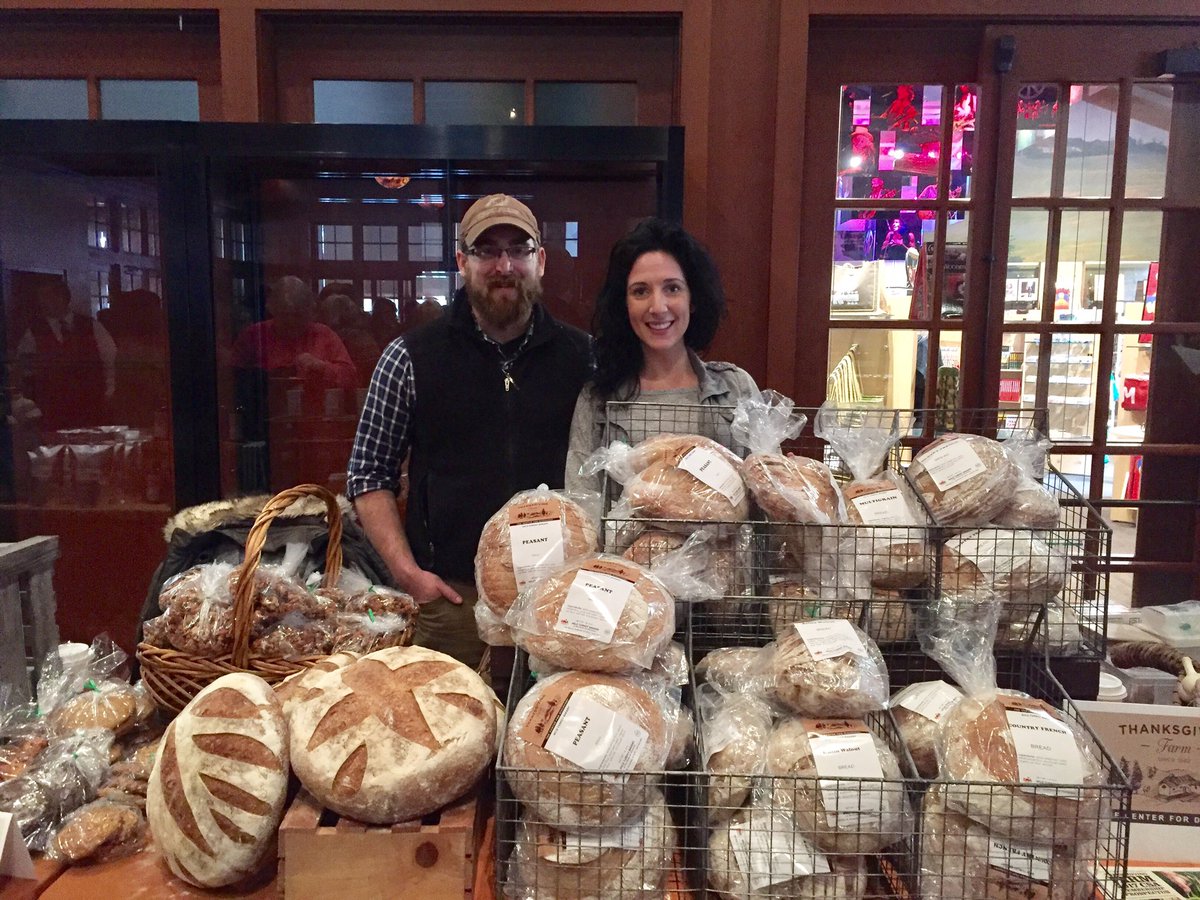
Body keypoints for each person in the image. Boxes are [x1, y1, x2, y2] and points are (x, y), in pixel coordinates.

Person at [345, 194, 592, 667]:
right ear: (462, 262)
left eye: (518, 249)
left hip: (562, 606)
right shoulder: (410, 358)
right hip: (453, 604)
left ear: (540, 261)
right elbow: (368, 475)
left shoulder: (584, 358)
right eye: (486, 250)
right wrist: (408, 574)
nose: (504, 265)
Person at [565, 218, 758, 495]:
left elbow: (766, 515)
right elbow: (582, 502)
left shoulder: (736, 390)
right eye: (641, 291)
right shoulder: (597, 400)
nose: (658, 307)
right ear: (624, 305)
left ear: (693, 300)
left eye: (672, 288)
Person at [233, 275, 358, 398]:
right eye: (285, 316)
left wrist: (321, 367)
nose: (291, 322)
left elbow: (352, 379)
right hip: (265, 414)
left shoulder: (324, 335)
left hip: (314, 415)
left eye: (298, 315)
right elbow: (230, 379)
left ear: (310, 311)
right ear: (272, 310)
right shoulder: (253, 336)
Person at [17, 278, 116, 430]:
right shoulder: (34, 332)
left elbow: (110, 359)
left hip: (91, 403)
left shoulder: (90, 326)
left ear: (63, 297)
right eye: (41, 297)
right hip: (53, 408)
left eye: (48, 296)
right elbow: (25, 368)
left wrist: (109, 392)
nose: (43, 301)